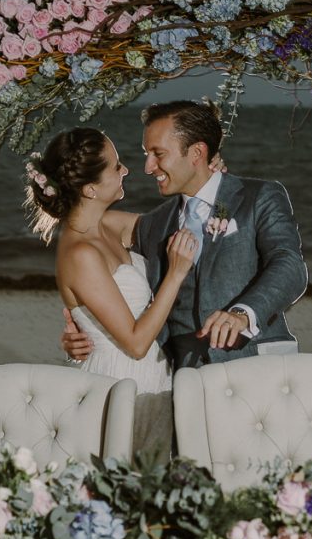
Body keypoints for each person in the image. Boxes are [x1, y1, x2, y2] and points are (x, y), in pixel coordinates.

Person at [62, 99, 308, 370]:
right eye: (146, 153)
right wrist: (85, 328)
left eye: (158, 153)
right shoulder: (153, 225)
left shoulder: (259, 197)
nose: (148, 167)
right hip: (182, 378)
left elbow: (289, 265)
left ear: (196, 153)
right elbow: (87, 241)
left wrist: (242, 315)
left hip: (257, 365)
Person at [25, 127, 200, 458]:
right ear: (91, 188)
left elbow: (177, 222)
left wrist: (197, 172)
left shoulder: (109, 226)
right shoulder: (81, 253)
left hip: (153, 381)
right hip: (121, 388)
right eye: (117, 165)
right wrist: (174, 275)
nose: (126, 170)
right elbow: (134, 344)